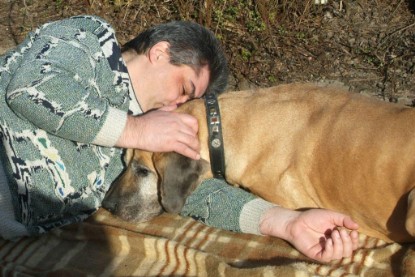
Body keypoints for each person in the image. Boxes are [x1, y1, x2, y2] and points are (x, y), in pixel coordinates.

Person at [0, 15, 358, 262]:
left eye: (188, 102)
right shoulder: (90, 39)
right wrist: (137, 129)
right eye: (183, 88)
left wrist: (285, 222)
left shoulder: (150, 132)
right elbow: (32, 88)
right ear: (160, 52)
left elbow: (188, 191)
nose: (179, 106)